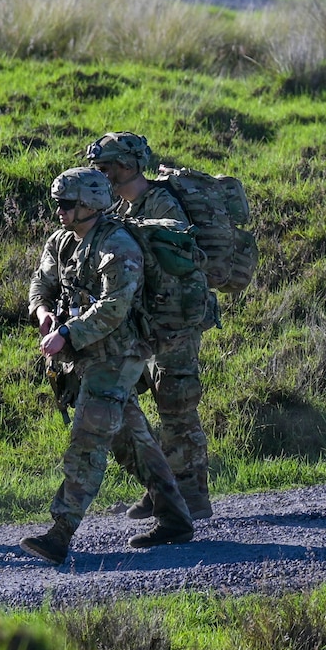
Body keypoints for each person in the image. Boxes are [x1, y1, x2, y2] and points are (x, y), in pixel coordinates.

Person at [22, 167, 195, 564]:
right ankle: (175, 518)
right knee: (131, 437)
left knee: (89, 438)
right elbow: (40, 282)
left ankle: (60, 532)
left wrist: (67, 334)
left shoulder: (118, 245)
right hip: (86, 354)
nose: (59, 211)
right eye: (58, 204)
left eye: (66, 204)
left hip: (119, 355)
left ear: (89, 204)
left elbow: (114, 307)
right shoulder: (62, 241)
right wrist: (43, 311)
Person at [82, 131, 215, 522]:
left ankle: (192, 496)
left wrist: (133, 234)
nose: (100, 175)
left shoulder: (161, 202)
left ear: (126, 166)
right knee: (135, 401)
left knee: (176, 403)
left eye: (104, 168)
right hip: (145, 320)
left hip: (176, 320)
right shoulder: (120, 208)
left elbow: (173, 249)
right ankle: (163, 489)